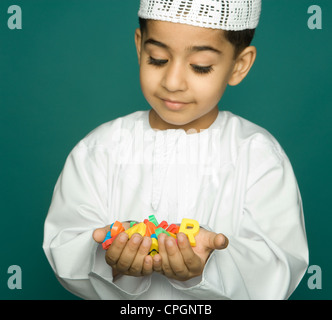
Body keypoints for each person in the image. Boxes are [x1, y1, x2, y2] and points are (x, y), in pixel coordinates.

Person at [43, 0, 309, 300]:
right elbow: (64, 243)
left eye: (200, 67)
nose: (172, 82)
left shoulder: (258, 155)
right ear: (139, 46)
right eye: (157, 59)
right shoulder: (100, 149)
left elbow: (279, 267)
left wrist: (206, 265)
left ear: (239, 65)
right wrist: (109, 257)